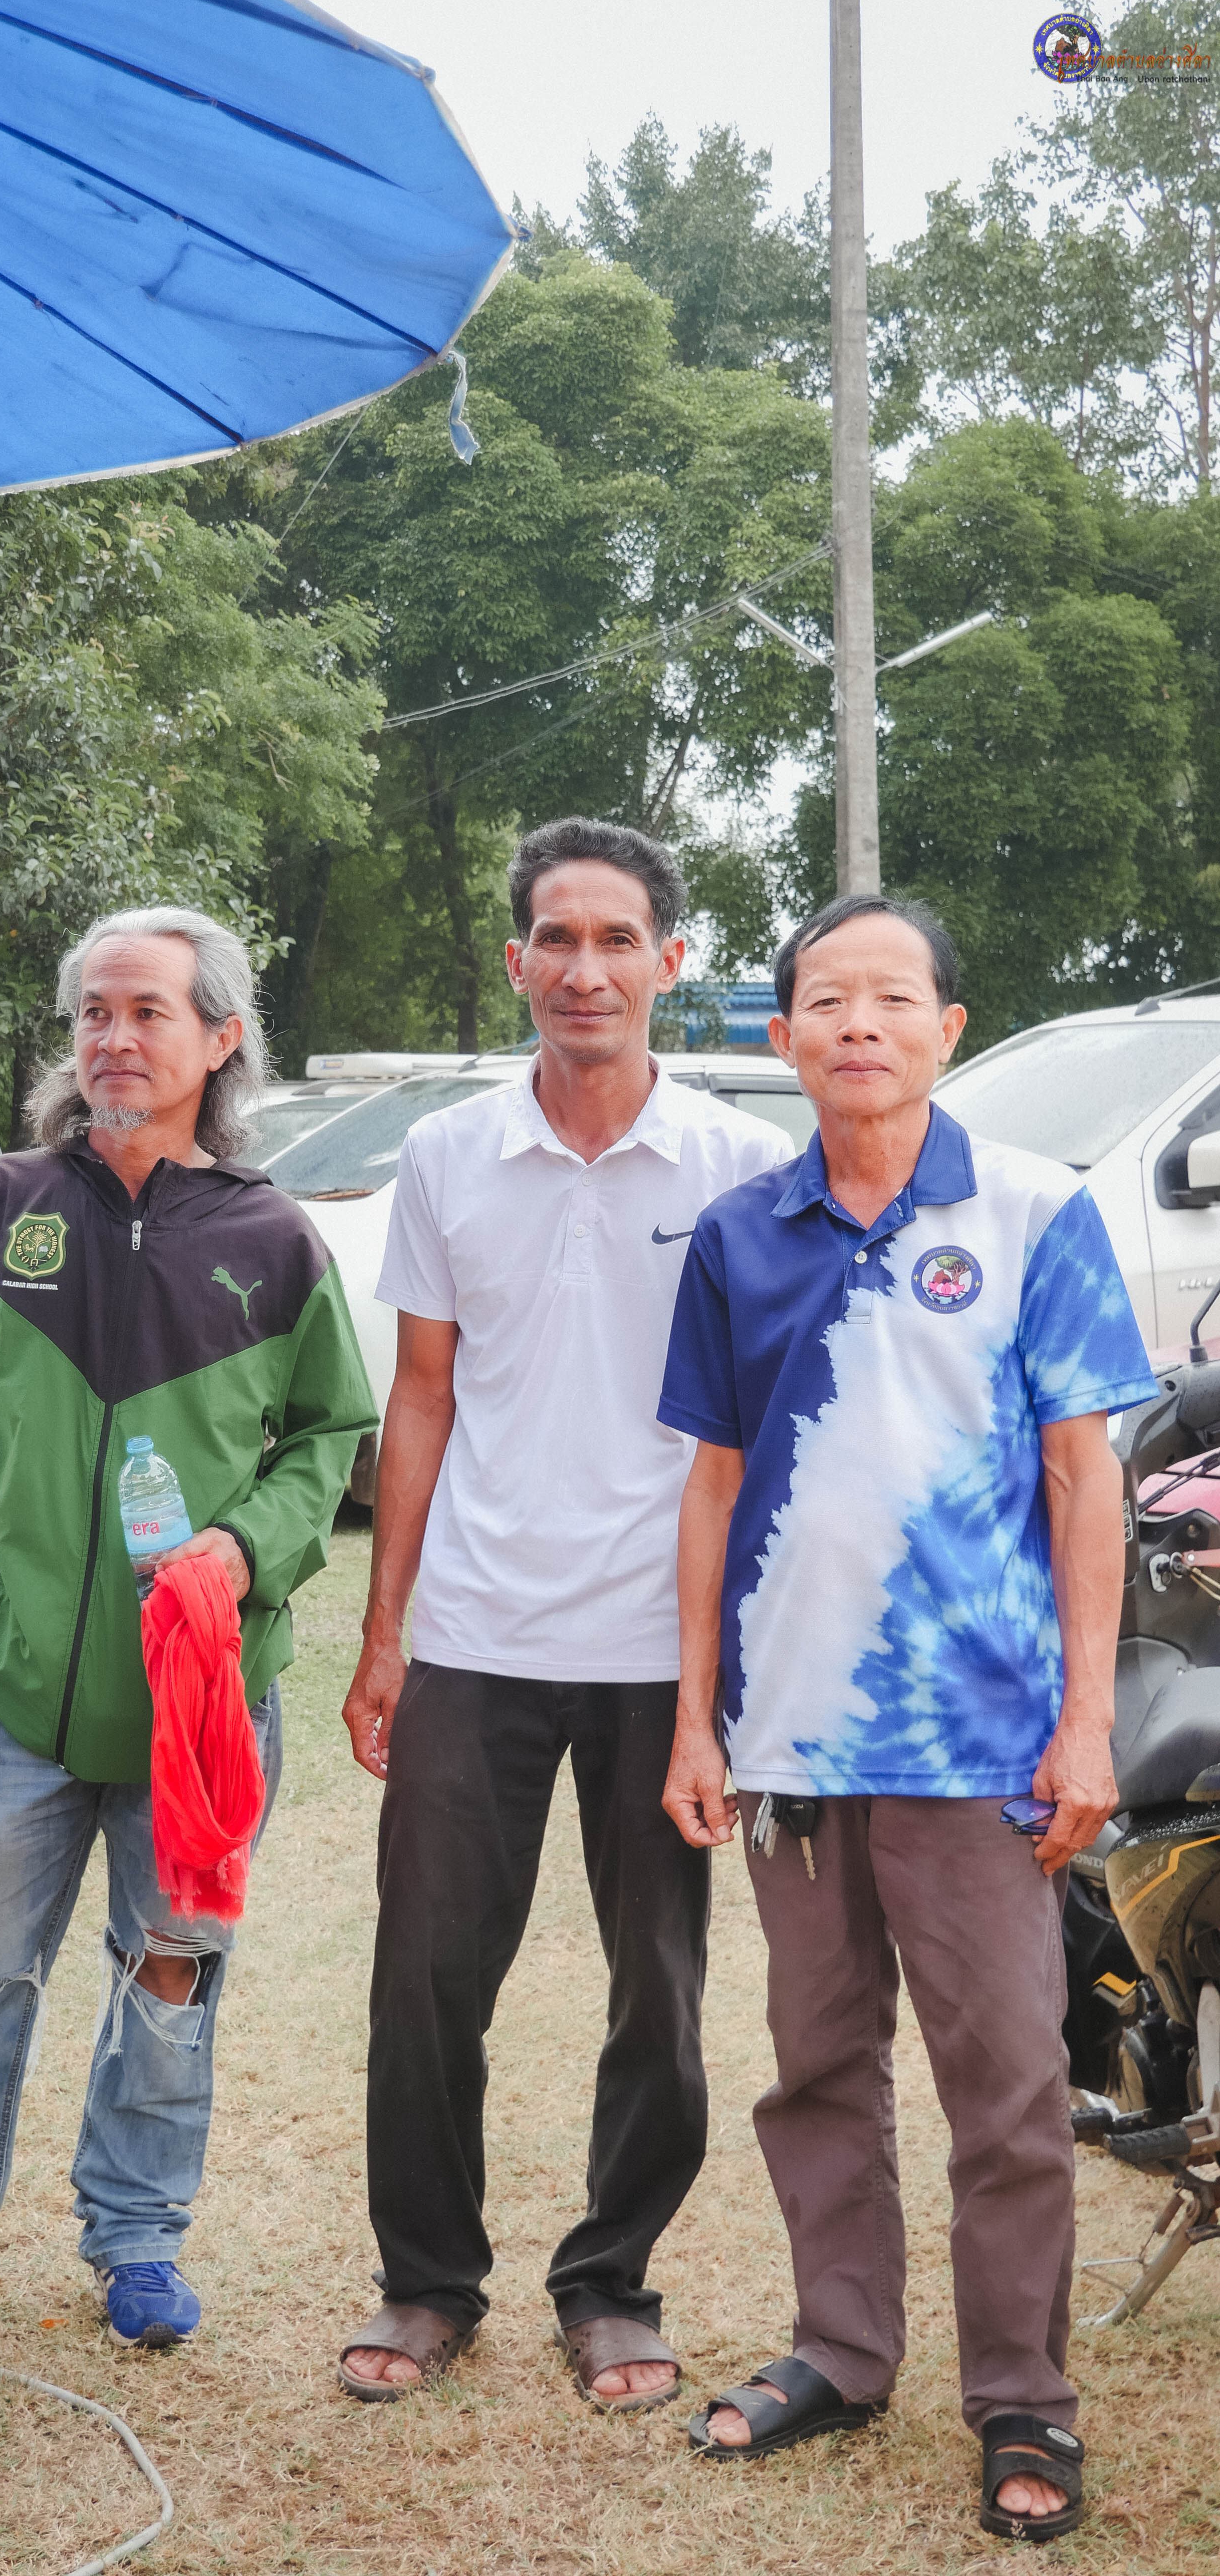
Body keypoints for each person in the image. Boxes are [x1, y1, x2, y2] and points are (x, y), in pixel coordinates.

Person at [0, 907, 375, 2353]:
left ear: (221, 1040)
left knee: (170, 1974)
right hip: (21, 1688)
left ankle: (137, 2241)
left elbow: (329, 1436)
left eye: (149, 1012)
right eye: (94, 1013)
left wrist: (248, 1546)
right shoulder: (1, 1208)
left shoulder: (273, 1236)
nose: (115, 1038)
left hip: (201, 1699)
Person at [658, 892, 1156, 2540]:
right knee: (816, 2068)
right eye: (826, 1000)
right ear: (783, 1035)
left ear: (949, 1027)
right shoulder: (738, 1235)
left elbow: (1085, 1481)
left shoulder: (1032, 1211)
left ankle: (1023, 2395)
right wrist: (696, 1723)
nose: (857, 1025)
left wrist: (1086, 1723)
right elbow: (713, 1488)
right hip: (792, 1744)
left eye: (892, 999)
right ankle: (842, 2350)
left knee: (1005, 2089)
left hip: (983, 1744)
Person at [335, 818, 793, 2411]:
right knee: (425, 1975)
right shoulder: (448, 1154)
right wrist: (384, 1631)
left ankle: (610, 2282)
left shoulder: (739, 1165)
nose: (585, 968)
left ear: (673, 960)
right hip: (477, 1631)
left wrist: (740, 1659)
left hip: (665, 1648)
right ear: (517, 959)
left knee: (657, 1985)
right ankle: (425, 2281)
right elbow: (423, 1395)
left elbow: (763, 1424)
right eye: (557, 938)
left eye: (617, 939)